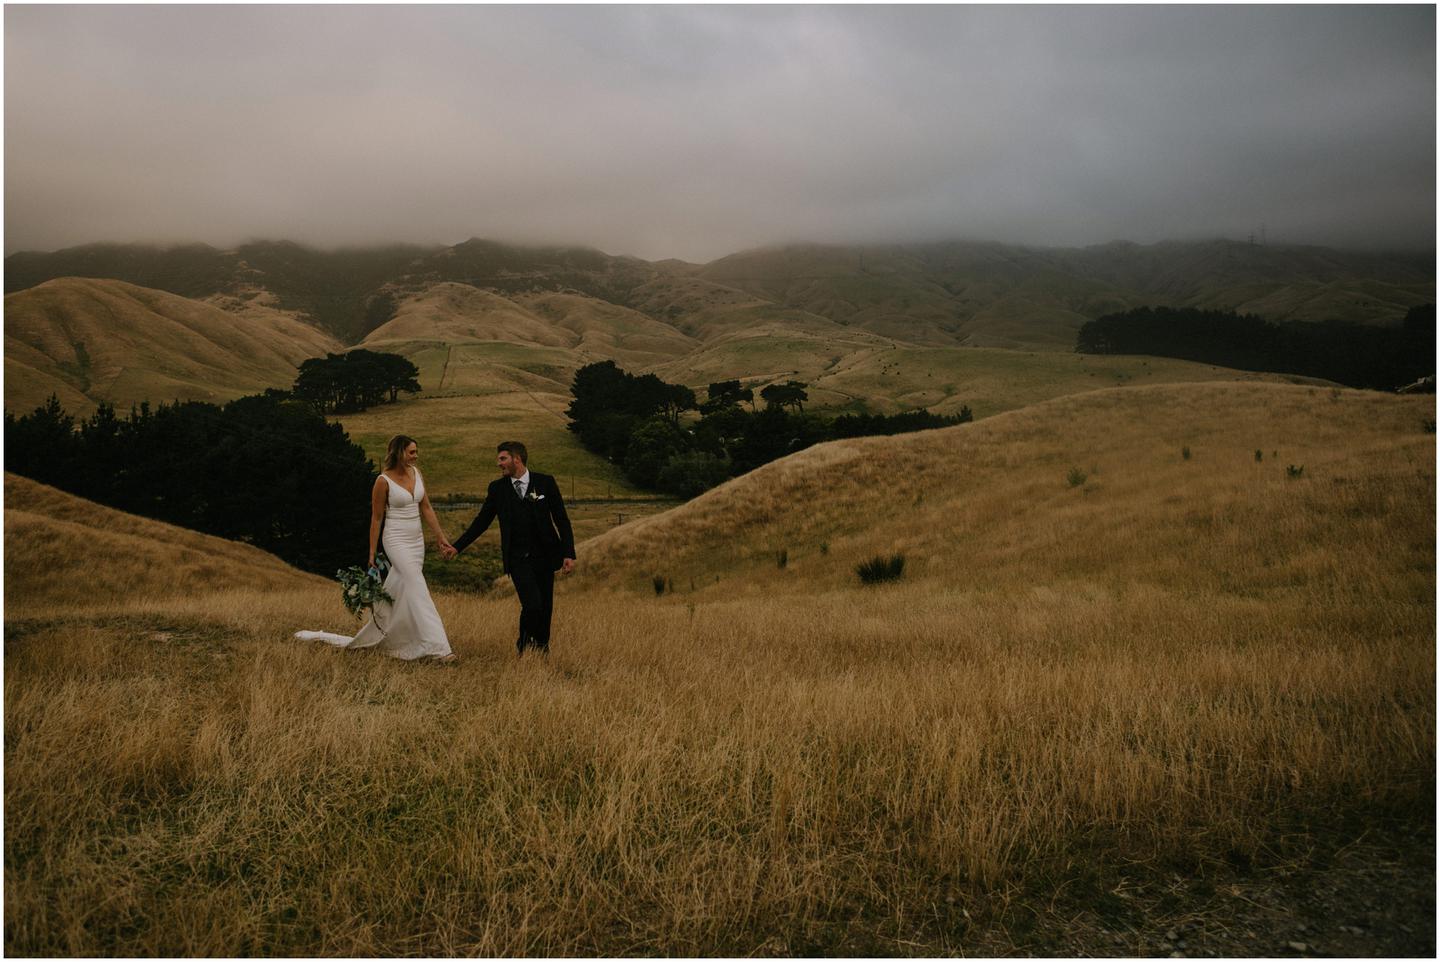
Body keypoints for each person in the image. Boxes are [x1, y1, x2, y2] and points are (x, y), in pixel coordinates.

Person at [296, 435, 457, 662]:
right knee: (418, 587)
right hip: (396, 540)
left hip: (416, 540)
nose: (416, 456)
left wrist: (440, 538)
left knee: (403, 589)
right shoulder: (383, 480)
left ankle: (394, 636)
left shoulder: (416, 473)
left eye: (416, 451)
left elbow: (427, 507)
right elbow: (376, 518)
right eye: (412, 452)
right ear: (399, 453)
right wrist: (372, 552)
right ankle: (440, 648)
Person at [443, 440, 575, 656]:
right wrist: (458, 547)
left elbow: (561, 519)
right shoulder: (497, 489)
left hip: (545, 555)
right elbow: (482, 521)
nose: (499, 463)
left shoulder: (545, 483)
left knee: (545, 607)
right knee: (532, 604)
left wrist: (568, 553)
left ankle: (541, 649)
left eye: (502, 458)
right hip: (517, 558)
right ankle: (523, 645)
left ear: (517, 459)